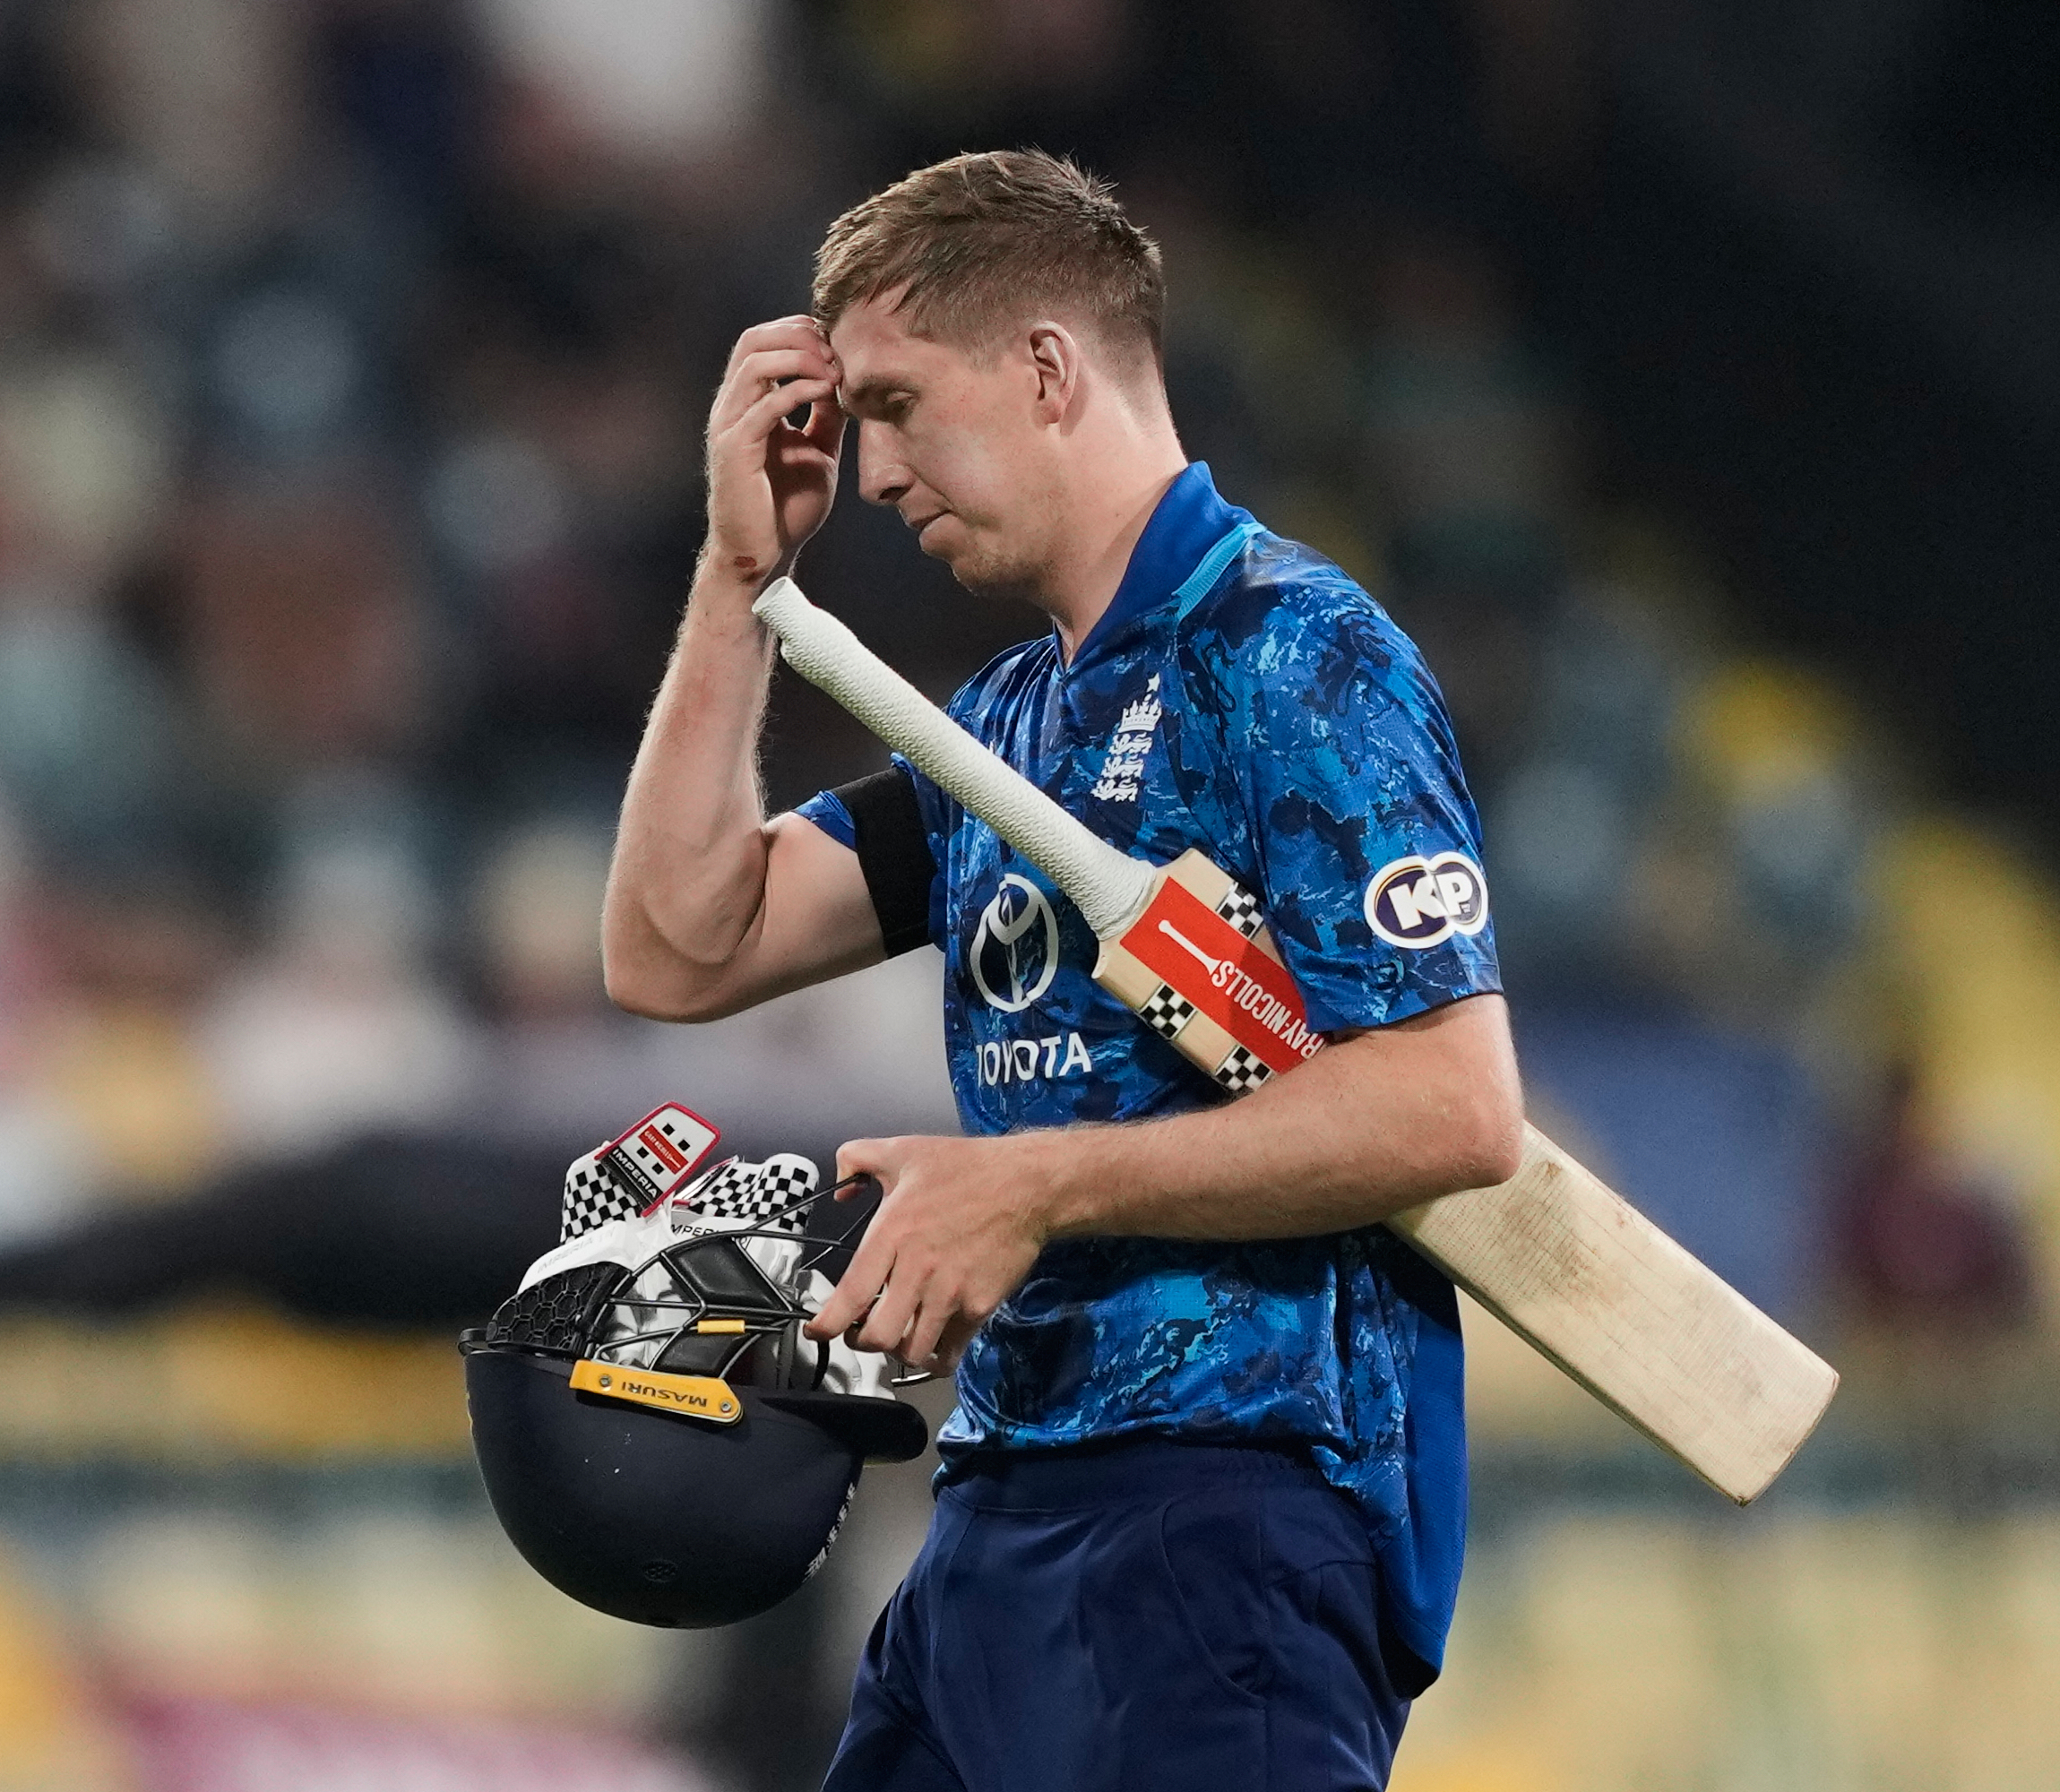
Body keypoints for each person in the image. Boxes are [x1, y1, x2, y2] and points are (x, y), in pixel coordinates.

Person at [601, 150, 1523, 1792]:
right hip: (1002, 1508)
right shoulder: (1006, 727)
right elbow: (682, 945)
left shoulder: (1295, 655)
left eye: (897, 405)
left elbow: (1451, 1108)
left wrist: (1029, 1186)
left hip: (1230, 1510)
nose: (872, 471)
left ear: (1044, 369)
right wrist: (742, 582)